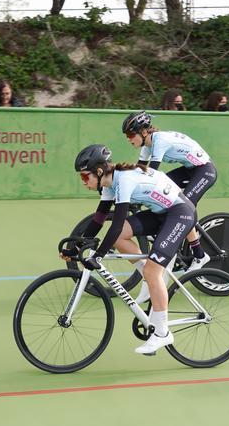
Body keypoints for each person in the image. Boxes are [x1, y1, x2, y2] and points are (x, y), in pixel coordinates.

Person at [66, 145, 196, 354]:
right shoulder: (109, 184)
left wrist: (98, 256)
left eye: (84, 177)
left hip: (180, 213)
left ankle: (162, 333)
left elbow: (116, 223)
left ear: (99, 172)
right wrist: (75, 247)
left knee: (153, 270)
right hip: (160, 213)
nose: (84, 182)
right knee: (123, 242)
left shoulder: (124, 181)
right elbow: (98, 220)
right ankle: (150, 277)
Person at [122, 111, 216, 302]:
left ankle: (199, 254)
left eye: (131, 135)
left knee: (183, 205)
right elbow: (140, 172)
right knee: (166, 195)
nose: (129, 140)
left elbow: (152, 175)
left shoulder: (160, 141)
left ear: (143, 131)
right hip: (190, 169)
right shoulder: (147, 146)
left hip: (204, 170)